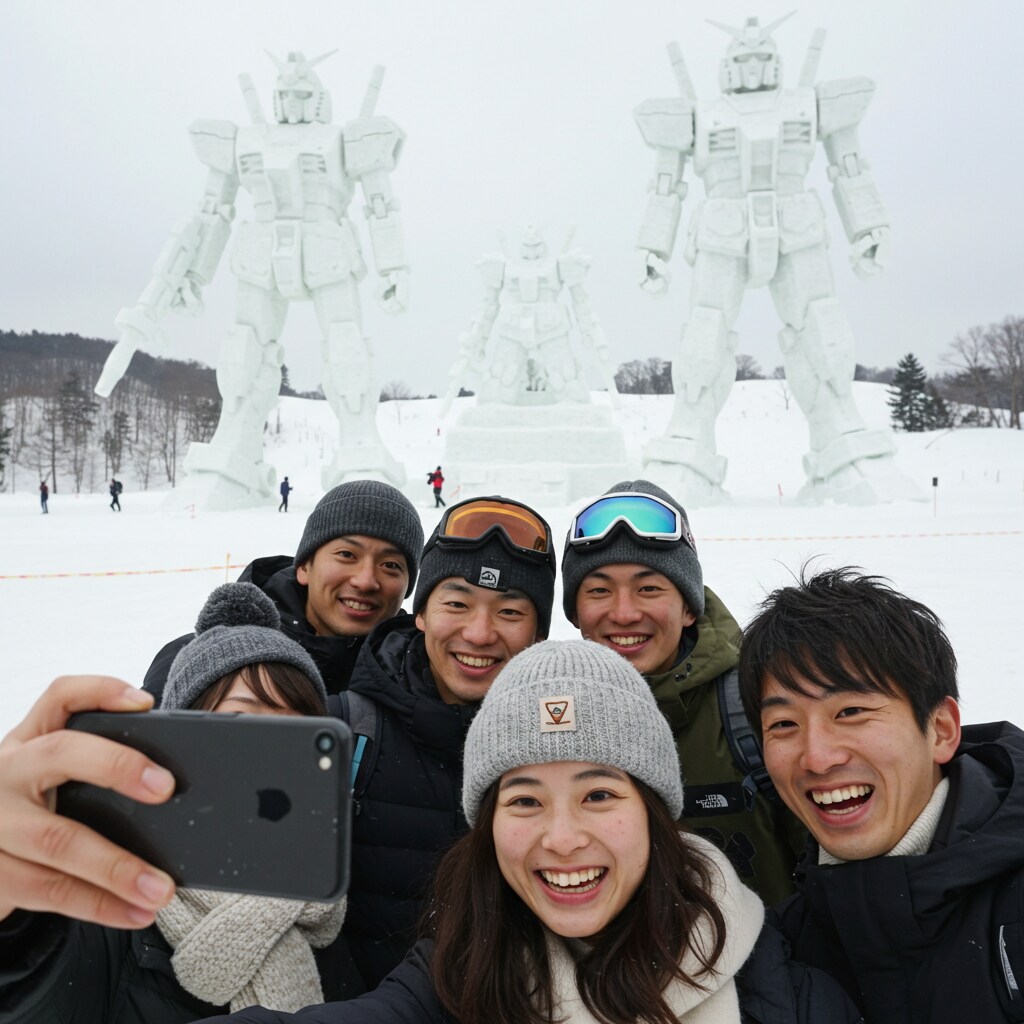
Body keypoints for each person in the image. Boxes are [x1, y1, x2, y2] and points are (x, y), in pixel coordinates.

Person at [194, 639, 862, 1023]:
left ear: (656, 813)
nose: (562, 837)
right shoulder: (458, 978)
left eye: (599, 793)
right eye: (524, 801)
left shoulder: (784, 988)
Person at [0, 581, 346, 1021]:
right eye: (243, 722)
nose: (269, 759)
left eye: (295, 734)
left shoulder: (324, 899)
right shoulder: (118, 905)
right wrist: (13, 920)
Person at [737, 566, 1024, 1023]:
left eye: (850, 711)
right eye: (784, 725)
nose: (817, 758)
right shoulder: (780, 951)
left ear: (941, 729)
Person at [334, 494, 556, 993]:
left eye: (510, 612)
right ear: (420, 614)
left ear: (538, 634)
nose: (478, 634)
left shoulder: (563, 747)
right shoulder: (344, 730)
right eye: (456, 604)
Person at [560, 480, 806, 906]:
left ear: (690, 607)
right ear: (576, 612)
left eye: (649, 588)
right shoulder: (555, 718)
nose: (624, 613)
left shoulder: (757, 703)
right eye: (598, 590)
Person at [143, 480, 424, 702]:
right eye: (347, 554)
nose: (365, 581)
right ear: (304, 567)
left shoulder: (421, 680)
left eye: (390, 565)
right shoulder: (201, 661)